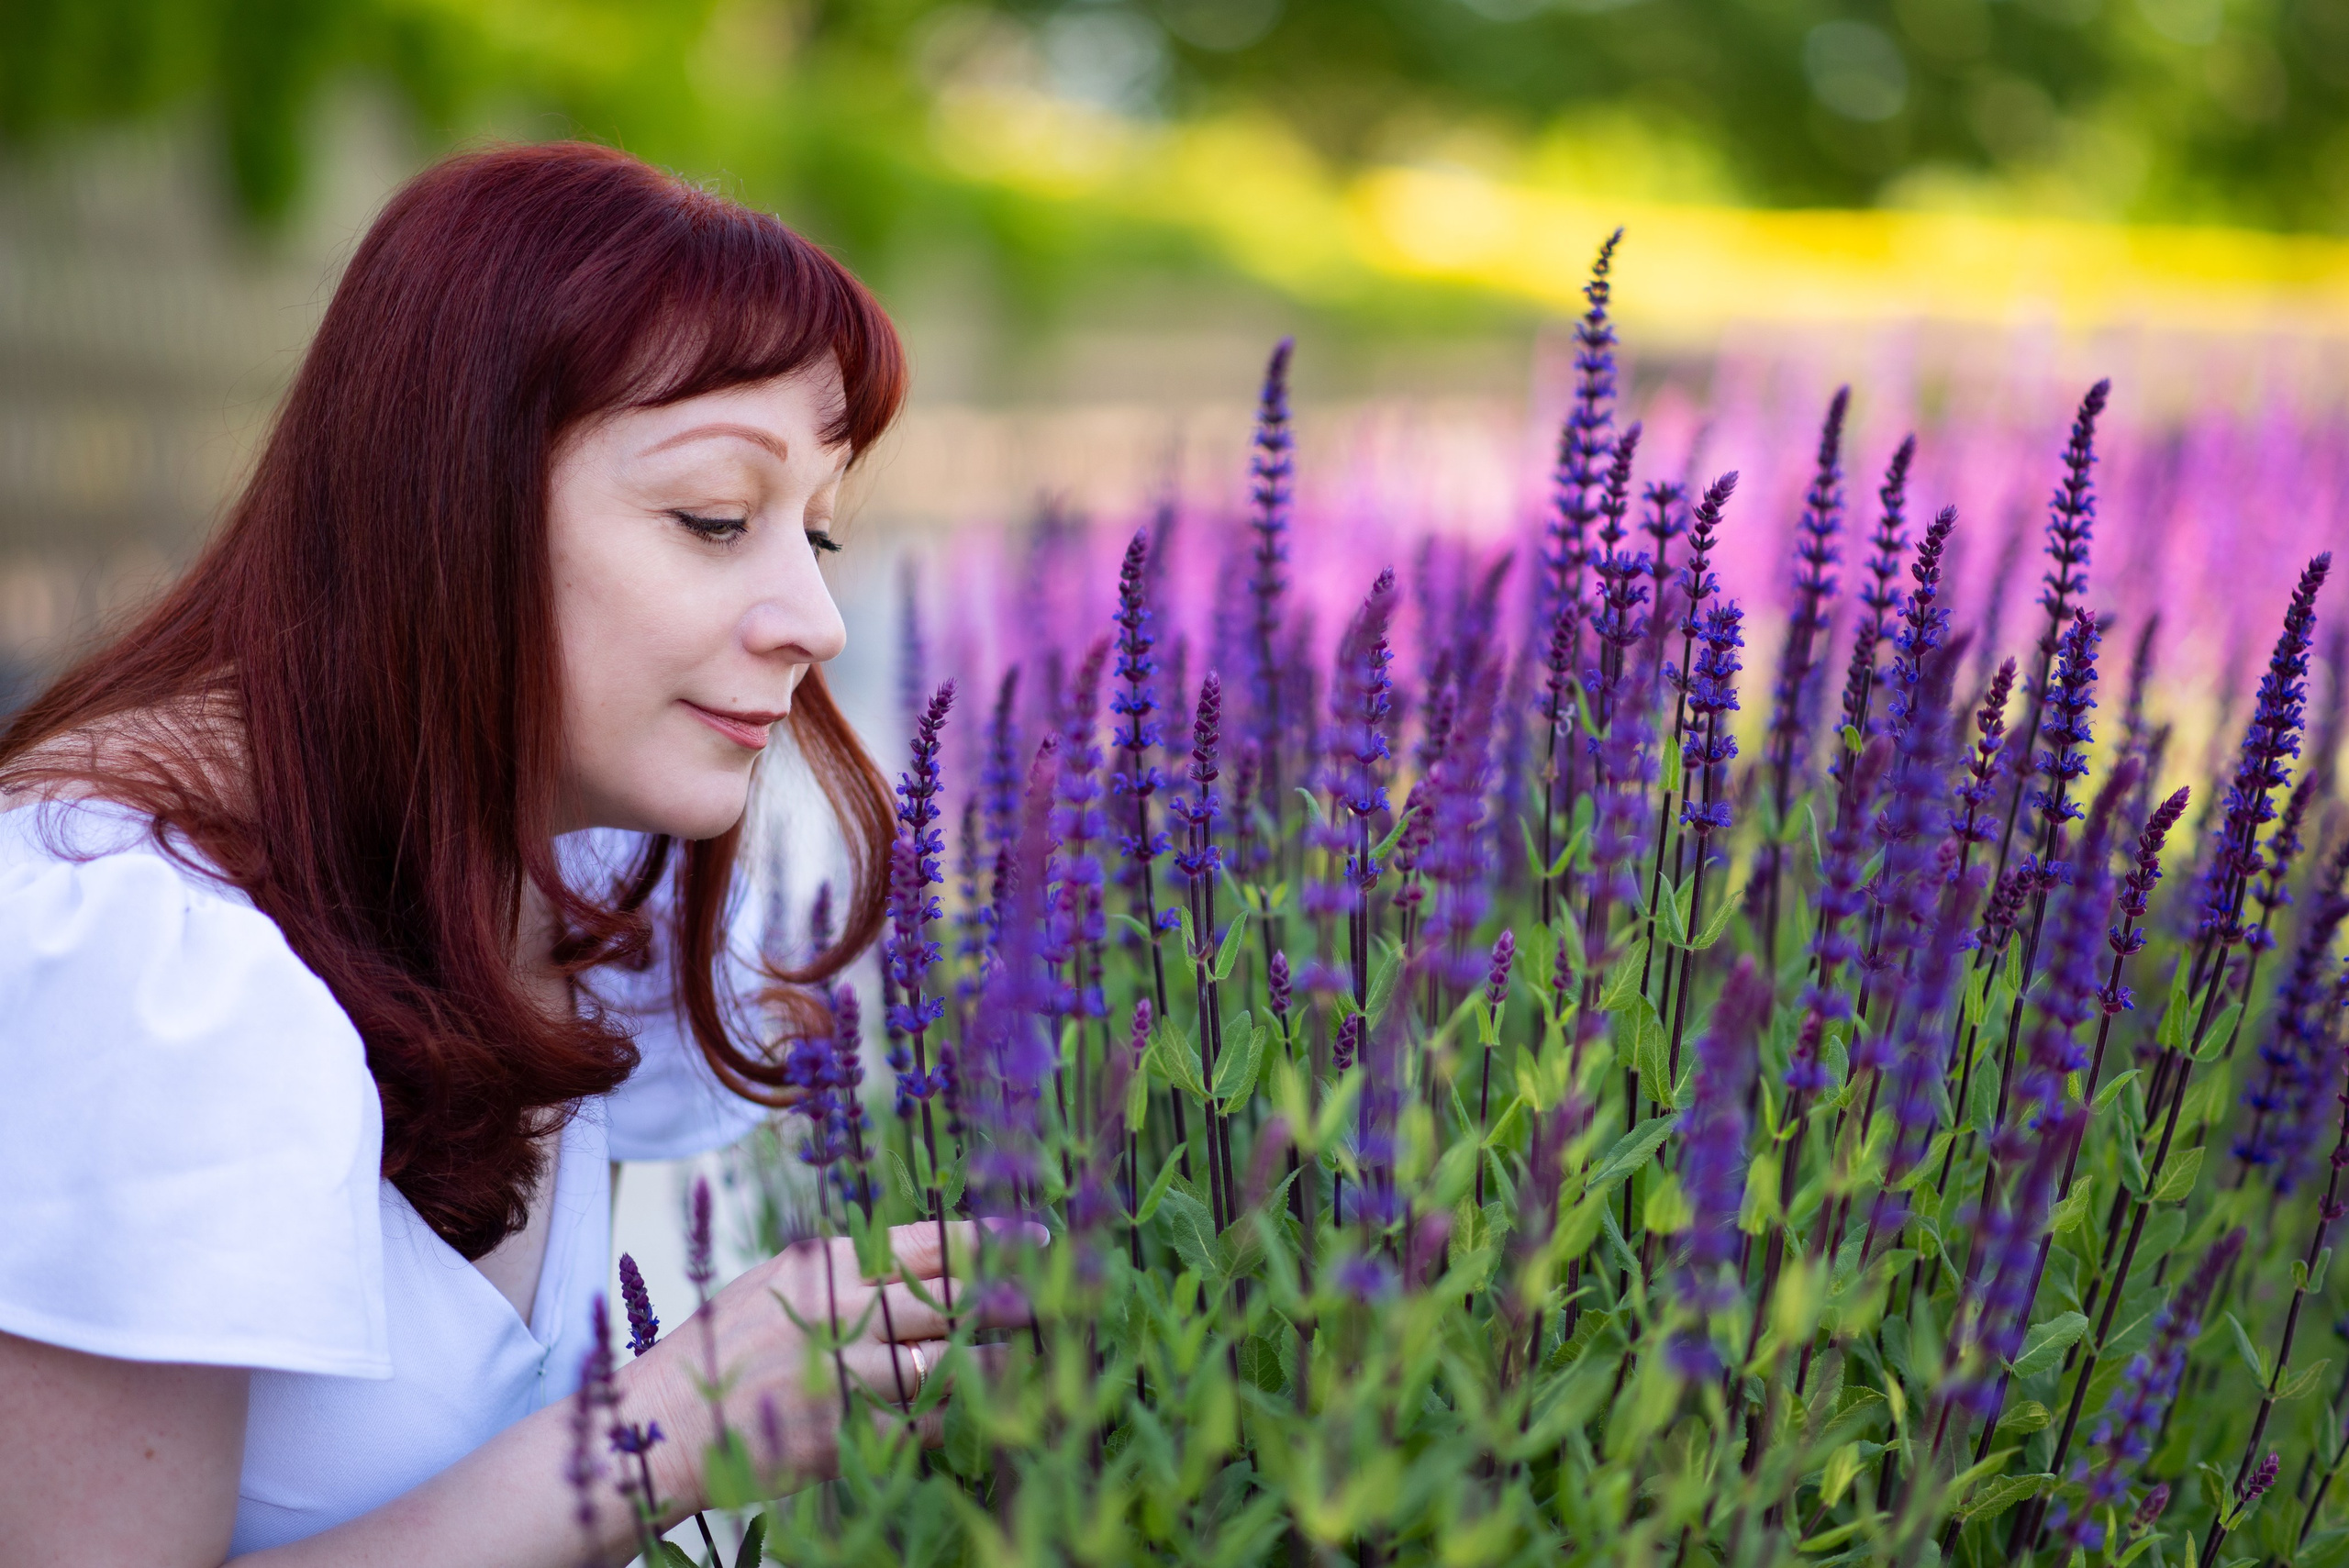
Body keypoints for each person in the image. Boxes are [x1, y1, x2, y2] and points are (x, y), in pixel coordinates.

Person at [0, 140, 1018, 1565]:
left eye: (822, 536)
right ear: (449, 500)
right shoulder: (140, 952)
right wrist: (650, 1437)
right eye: (716, 520)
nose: (813, 617)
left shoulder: (571, 876)